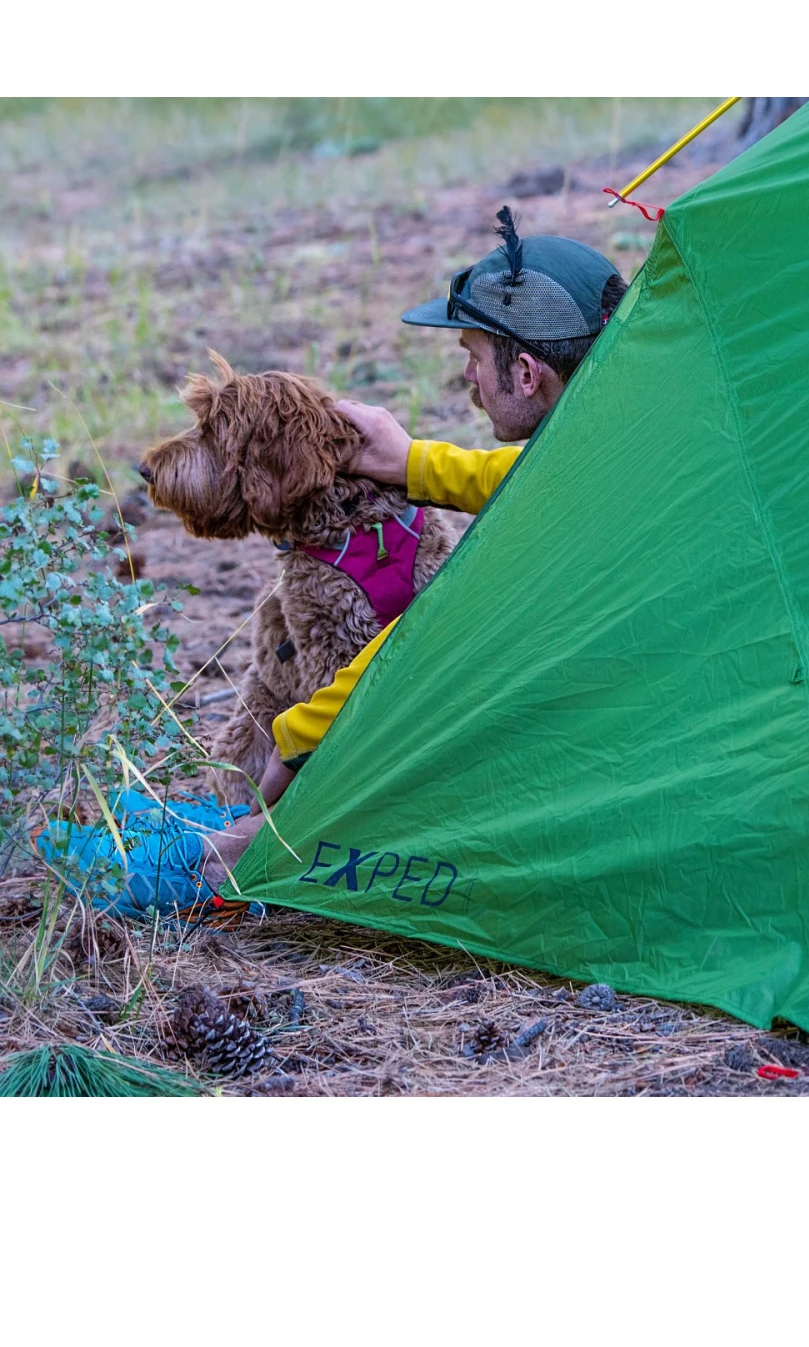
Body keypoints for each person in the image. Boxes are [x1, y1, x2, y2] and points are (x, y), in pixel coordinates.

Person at [198, 208, 626, 895]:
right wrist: (413, 462)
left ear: (525, 372)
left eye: (472, 357)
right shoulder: (628, 431)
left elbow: (433, 633)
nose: (467, 378)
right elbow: (542, 478)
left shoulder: (552, 535)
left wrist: (297, 744)